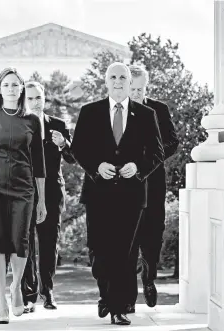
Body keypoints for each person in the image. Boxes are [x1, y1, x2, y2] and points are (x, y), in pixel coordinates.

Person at [71, 62, 165, 326]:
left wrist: (139, 168)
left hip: (132, 195)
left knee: (124, 252)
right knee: (99, 251)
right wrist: (96, 166)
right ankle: (106, 295)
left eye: (122, 77)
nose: (118, 81)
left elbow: (157, 153)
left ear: (129, 81)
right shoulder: (89, 112)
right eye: (113, 77)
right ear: (106, 81)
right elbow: (78, 148)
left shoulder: (146, 115)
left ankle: (117, 307)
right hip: (98, 193)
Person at [0, 67, 47, 324]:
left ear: (22, 88)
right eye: (6, 85)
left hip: (24, 189)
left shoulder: (32, 121)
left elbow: (39, 164)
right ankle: (1, 303)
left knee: (20, 241)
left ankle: (16, 286)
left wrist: (43, 201)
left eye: (15, 85)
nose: (11, 89)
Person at [21, 81, 76, 313]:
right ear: (25, 100)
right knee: (24, 243)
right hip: (24, 191)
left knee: (49, 243)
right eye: (30, 98)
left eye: (38, 97)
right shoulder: (19, 124)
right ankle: (28, 294)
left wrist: (63, 143)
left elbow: (73, 157)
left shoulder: (58, 125)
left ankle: (48, 291)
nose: (35, 102)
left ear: (45, 99)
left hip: (53, 192)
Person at [127, 64, 179, 309]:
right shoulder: (118, 111)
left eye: (140, 89)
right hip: (125, 185)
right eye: (132, 88)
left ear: (147, 86)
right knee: (127, 237)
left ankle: (148, 278)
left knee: (153, 237)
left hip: (154, 183)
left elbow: (172, 142)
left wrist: (149, 159)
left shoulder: (159, 109)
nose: (136, 93)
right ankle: (125, 297)